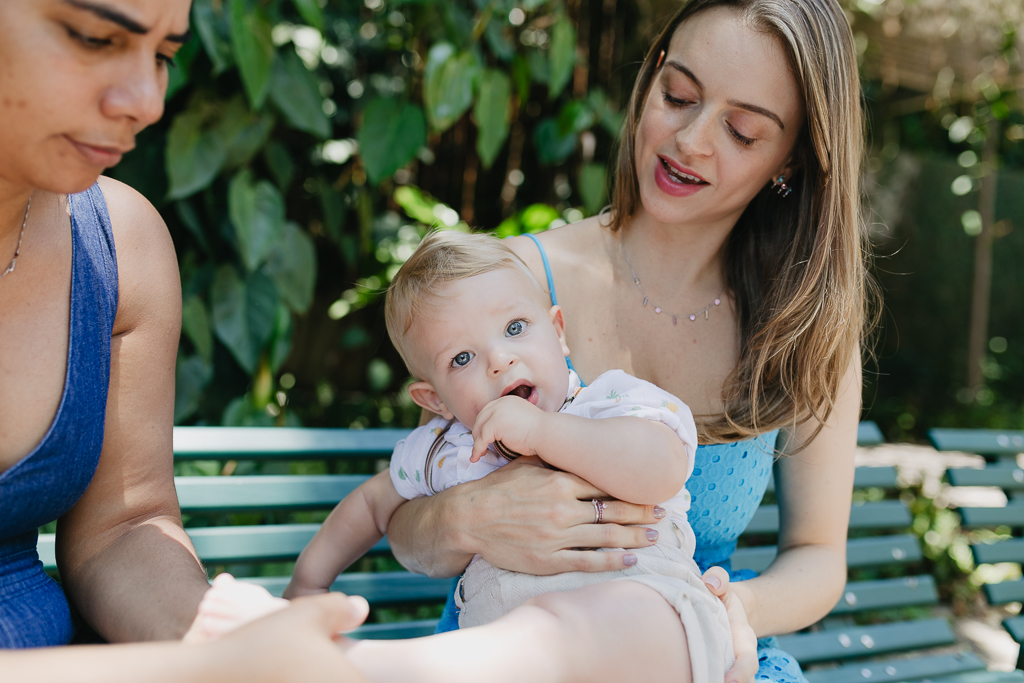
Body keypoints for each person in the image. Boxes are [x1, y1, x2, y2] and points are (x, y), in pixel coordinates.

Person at [385, 2, 872, 682]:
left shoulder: (805, 327)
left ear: (791, 157)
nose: (690, 140)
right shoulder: (512, 288)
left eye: (741, 130)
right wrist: (468, 516)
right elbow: (406, 525)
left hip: (695, 648)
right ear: (651, 79)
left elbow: (818, 555)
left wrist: (729, 609)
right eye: (678, 96)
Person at [0, 2, 370, 678]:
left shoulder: (118, 245)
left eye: (164, 55)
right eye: (96, 38)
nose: (147, 102)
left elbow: (122, 527)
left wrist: (214, 634)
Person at [193, 230, 736, 682]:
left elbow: (661, 468)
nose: (499, 359)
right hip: (499, 657)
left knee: (583, 626)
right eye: (462, 358)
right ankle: (305, 644)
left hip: (650, 629)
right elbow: (372, 506)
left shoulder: (609, 404)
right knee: (518, 641)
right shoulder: (447, 450)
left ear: (559, 332)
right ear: (434, 400)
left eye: (515, 328)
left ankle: (350, 666)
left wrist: (544, 433)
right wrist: (307, 586)